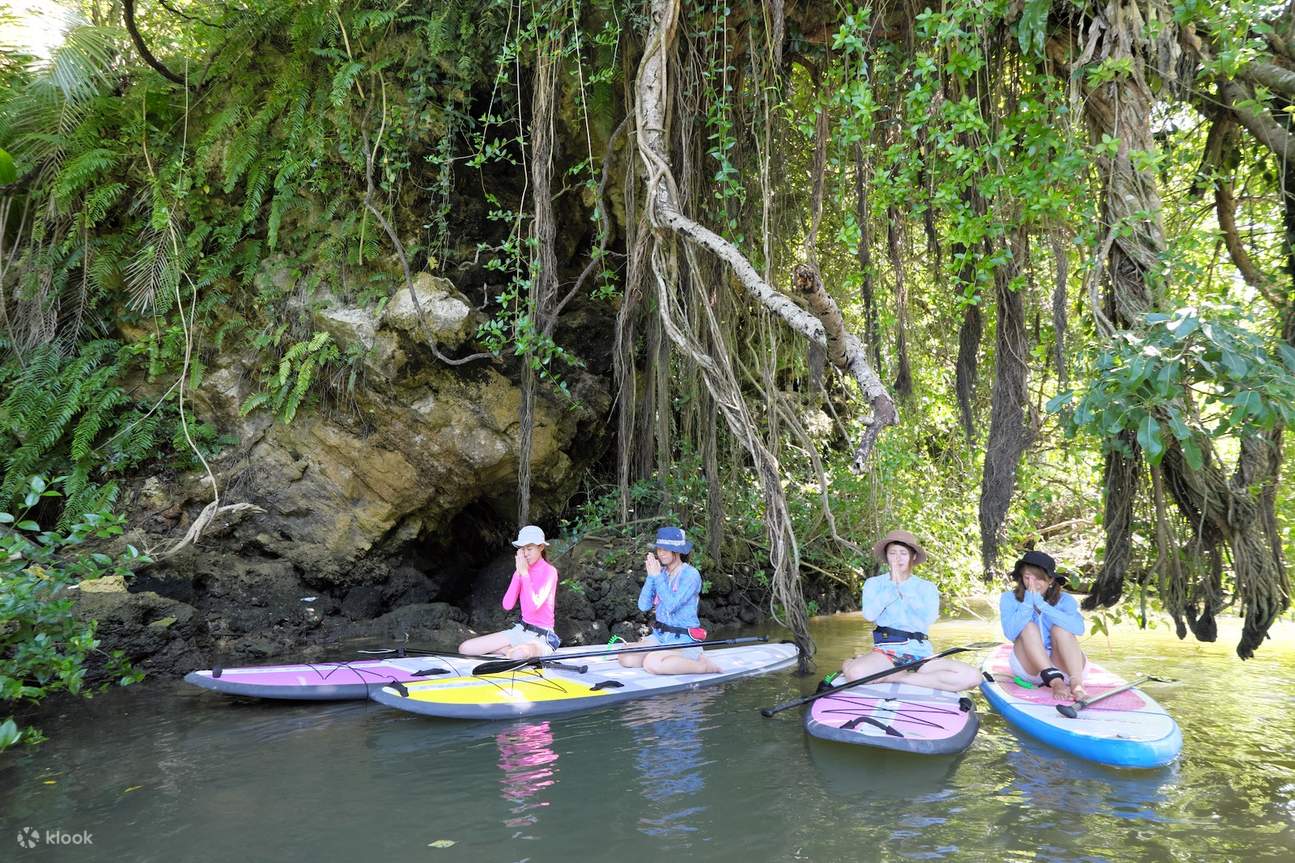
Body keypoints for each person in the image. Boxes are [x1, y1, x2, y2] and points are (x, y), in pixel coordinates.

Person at [838, 529, 980, 691]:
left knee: (973, 677)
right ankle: (854, 663)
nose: (897, 558)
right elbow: (870, 615)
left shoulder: (927, 587)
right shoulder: (874, 584)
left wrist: (905, 589)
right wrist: (892, 587)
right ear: (887, 557)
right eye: (892, 553)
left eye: (903, 553)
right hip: (886, 652)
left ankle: (900, 677)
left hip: (921, 655)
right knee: (856, 673)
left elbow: (929, 619)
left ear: (913, 557)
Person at [618, 526, 721, 675]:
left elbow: (672, 605)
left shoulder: (691, 575)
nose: (661, 553)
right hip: (660, 636)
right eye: (659, 549)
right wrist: (651, 576)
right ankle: (659, 655)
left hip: (684, 640)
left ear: (678, 551)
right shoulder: (661, 573)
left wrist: (657, 576)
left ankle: (704, 666)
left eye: (667, 549)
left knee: (651, 663)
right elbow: (643, 606)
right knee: (626, 657)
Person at [459, 525, 561, 660]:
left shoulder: (549, 572)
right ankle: (508, 651)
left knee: (519, 655)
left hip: (541, 636)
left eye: (529, 549)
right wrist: (519, 573)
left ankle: (509, 651)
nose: (525, 553)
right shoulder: (521, 570)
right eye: (522, 549)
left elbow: (533, 607)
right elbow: (507, 605)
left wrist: (524, 574)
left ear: (541, 547)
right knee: (465, 648)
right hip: (520, 631)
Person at [1000, 549, 1087, 701]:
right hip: (1030, 666)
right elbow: (1010, 633)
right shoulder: (1008, 598)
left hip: (1065, 664)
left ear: (1051, 580)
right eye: (1027, 578)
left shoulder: (1065, 600)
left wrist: (1043, 606)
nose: (1032, 584)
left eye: (1039, 579)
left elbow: (1079, 629)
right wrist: (1028, 602)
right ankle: (1056, 682)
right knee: (1028, 626)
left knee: (1061, 629)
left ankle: (1076, 684)